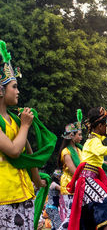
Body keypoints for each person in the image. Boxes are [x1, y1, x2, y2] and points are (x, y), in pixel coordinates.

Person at [0, 40, 48, 229]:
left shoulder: (14, 120)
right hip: (4, 196)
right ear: (1, 90)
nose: (18, 92)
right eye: (14, 87)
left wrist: (38, 181)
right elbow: (13, 150)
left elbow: (28, 156)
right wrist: (26, 126)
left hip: (25, 193)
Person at [58, 111, 83, 229]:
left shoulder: (80, 150)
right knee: (69, 218)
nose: (81, 137)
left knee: (79, 217)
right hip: (69, 187)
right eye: (79, 134)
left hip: (79, 186)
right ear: (71, 136)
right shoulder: (66, 152)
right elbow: (75, 171)